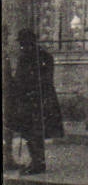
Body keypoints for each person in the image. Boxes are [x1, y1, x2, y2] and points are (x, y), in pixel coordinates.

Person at [7, 30, 64, 174]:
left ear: (30, 42)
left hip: (38, 101)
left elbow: (44, 80)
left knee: (35, 132)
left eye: (24, 43)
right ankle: (36, 161)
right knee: (29, 131)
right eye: (21, 44)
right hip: (30, 100)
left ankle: (38, 163)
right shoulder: (28, 57)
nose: (22, 47)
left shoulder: (41, 57)